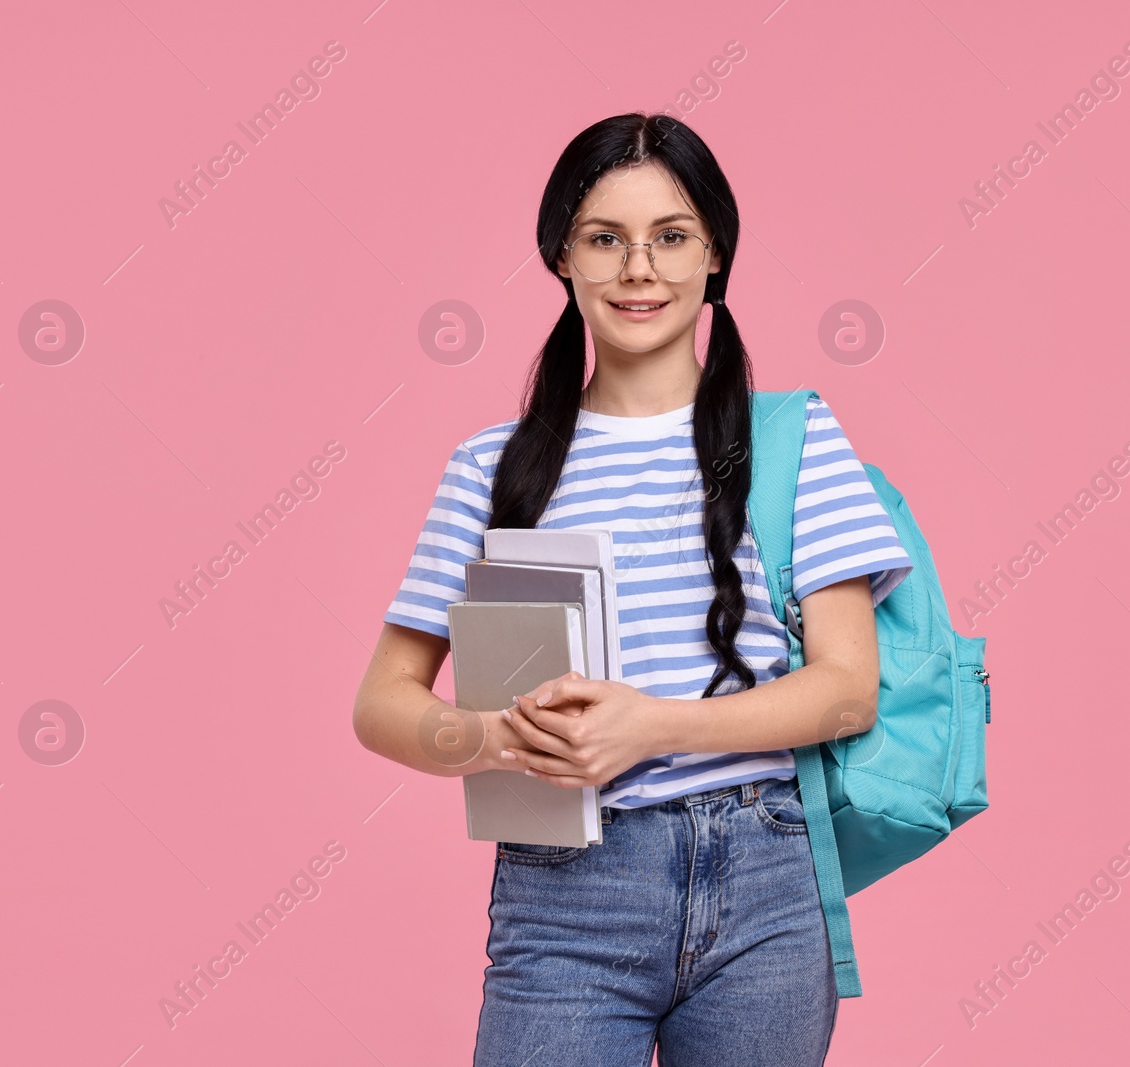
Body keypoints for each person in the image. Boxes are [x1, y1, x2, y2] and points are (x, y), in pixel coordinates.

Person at [352, 111, 913, 1066]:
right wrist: (496, 738)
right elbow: (382, 704)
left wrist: (651, 725)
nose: (638, 269)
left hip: (766, 881)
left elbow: (845, 686)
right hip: (566, 887)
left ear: (715, 259)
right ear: (562, 259)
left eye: (671, 237)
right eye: (604, 239)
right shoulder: (492, 469)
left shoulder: (797, 443)